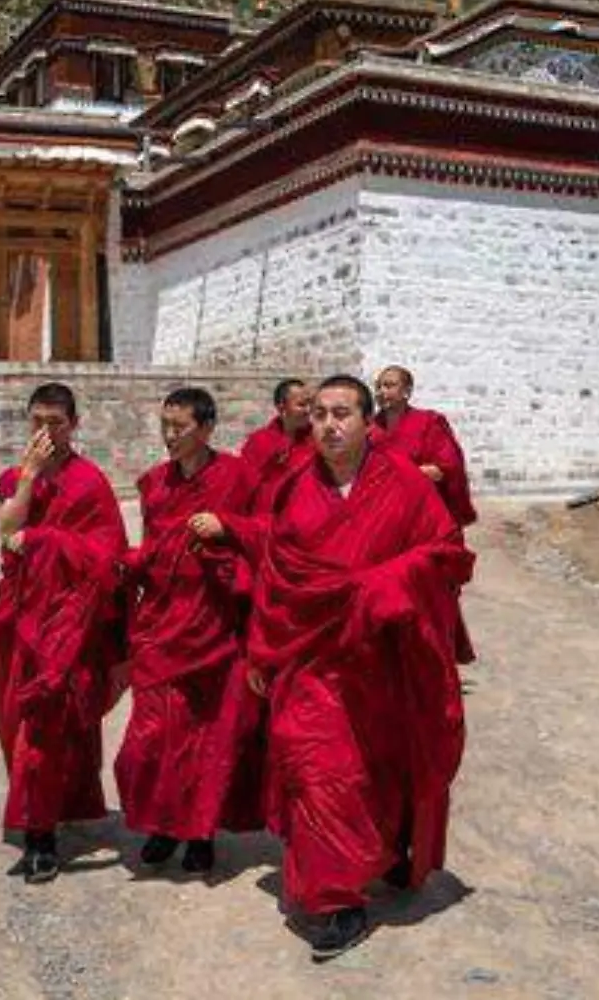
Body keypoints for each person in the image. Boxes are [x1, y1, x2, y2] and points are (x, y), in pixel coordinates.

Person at [243, 375, 475, 961]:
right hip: (311, 664)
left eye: (341, 413)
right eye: (318, 414)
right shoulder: (294, 487)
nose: (328, 425)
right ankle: (335, 900)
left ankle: (384, 854)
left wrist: (384, 583)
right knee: (320, 772)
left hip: (385, 664)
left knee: (380, 772)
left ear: (368, 421)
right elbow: (273, 581)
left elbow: (448, 553)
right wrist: (261, 652)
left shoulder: (402, 483)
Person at [113, 387, 267, 875]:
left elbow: (268, 530)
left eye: (179, 427)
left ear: (206, 428)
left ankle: (200, 833)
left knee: (207, 739)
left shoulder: (238, 476)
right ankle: (162, 825)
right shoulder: (154, 483)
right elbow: (153, 546)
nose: (169, 436)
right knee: (151, 739)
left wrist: (227, 526)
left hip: (216, 626)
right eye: (165, 425)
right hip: (162, 627)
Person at [0, 382, 129, 884]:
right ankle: (38, 815)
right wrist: (28, 478)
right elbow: (7, 532)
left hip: (70, 622)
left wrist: (44, 541)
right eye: (37, 422)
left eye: (56, 423)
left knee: (50, 728)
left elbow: (108, 557)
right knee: (17, 723)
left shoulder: (90, 483)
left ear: (75, 424)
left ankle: (40, 836)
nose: (45, 432)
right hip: (19, 618)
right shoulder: (15, 475)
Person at [370, 365, 478, 664]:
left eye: (389, 385)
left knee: (430, 587)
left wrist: (401, 474)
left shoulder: (429, 423)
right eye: (379, 386)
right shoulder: (370, 428)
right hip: (384, 521)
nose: (382, 392)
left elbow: (446, 468)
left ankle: (435, 652)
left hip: (424, 518)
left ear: (407, 390)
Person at [239, 377, 316, 494]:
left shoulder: (317, 438)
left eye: (310, 404)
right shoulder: (260, 441)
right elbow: (245, 483)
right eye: (301, 405)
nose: (308, 410)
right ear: (281, 407)